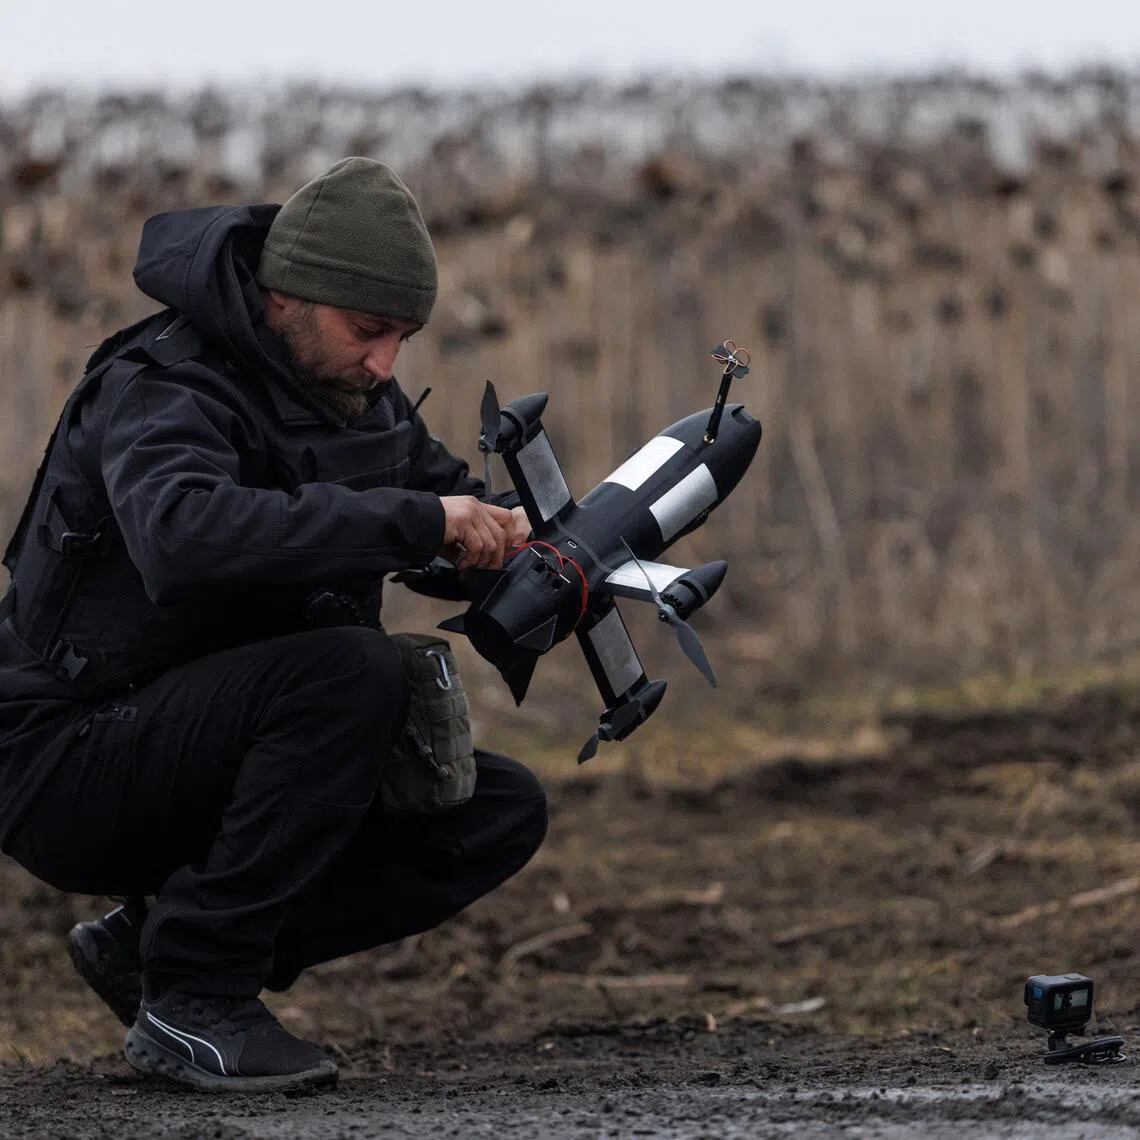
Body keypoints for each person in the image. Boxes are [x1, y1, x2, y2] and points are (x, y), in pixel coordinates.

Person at [0, 158, 548, 1092]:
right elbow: (181, 537)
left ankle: (153, 953)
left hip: (206, 748)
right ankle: (197, 1002)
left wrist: (527, 552)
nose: (386, 365)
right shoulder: (163, 387)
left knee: (492, 813)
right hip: (64, 757)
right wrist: (417, 523)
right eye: (367, 331)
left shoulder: (353, 400)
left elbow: (446, 509)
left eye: (404, 339)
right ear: (286, 297)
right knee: (350, 673)